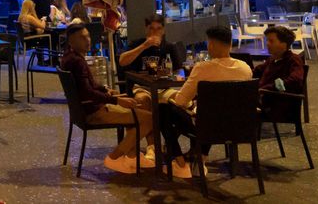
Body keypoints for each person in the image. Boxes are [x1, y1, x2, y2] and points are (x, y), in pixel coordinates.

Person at [60, 24, 156, 173]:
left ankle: (132, 156)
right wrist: (117, 100)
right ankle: (114, 157)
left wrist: (107, 90)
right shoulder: (77, 61)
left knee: (136, 108)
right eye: (82, 37)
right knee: (149, 119)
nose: (88, 40)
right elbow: (87, 92)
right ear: (71, 41)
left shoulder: (69, 57)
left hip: (83, 110)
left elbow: (88, 85)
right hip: (93, 112)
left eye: (88, 36)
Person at [160, 26, 253, 178]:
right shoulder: (245, 68)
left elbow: (181, 101)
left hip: (207, 129)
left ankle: (180, 163)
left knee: (163, 110)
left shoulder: (202, 68)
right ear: (230, 44)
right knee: (211, 111)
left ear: (210, 45)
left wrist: (171, 97)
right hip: (239, 128)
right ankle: (199, 158)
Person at [118, 14, 183, 74]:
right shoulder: (136, 44)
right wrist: (144, 46)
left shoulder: (170, 47)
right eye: (151, 28)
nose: (155, 32)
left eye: (159, 28)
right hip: (140, 84)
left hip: (163, 84)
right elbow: (122, 62)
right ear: (146, 29)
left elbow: (179, 70)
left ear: (163, 31)